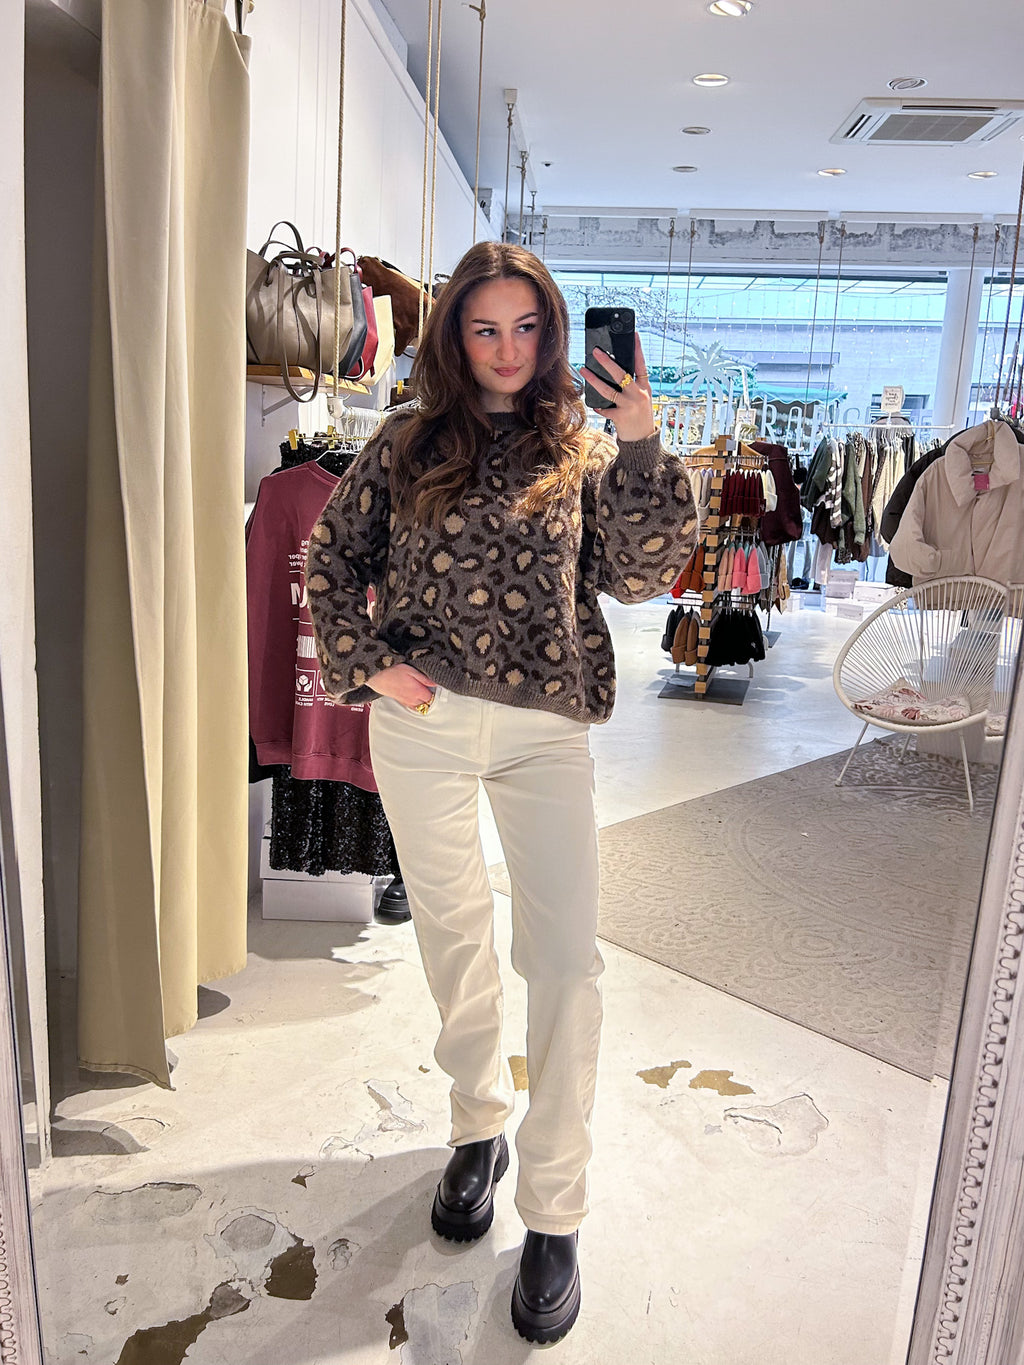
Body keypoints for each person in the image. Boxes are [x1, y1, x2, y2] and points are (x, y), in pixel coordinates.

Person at [306, 241, 697, 1343]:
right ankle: (477, 1125)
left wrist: (640, 440)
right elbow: (331, 555)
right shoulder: (404, 441)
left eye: (527, 327)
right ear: (453, 335)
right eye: (485, 327)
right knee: (453, 937)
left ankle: (556, 1207)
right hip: (422, 725)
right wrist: (370, 665)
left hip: (544, 731)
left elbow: (641, 575)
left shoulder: (583, 447)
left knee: (565, 960)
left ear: (554, 332)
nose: (507, 349)